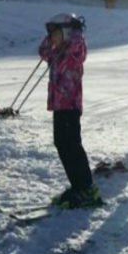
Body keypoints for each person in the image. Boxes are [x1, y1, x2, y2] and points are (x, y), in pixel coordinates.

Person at [40, 13, 103, 209]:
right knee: (61, 143)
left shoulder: (74, 49)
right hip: (59, 105)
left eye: (56, 34)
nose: (53, 39)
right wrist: (51, 36)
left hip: (71, 105)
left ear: (67, 32)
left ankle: (87, 188)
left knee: (73, 145)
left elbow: (77, 43)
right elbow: (42, 51)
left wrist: (72, 31)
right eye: (52, 35)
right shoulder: (56, 52)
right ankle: (77, 186)